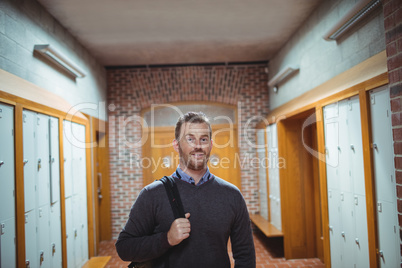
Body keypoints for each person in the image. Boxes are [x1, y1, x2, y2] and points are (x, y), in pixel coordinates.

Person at [116, 111, 256, 267]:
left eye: (203, 139)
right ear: (176, 145)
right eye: (190, 139)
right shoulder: (152, 194)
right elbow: (124, 248)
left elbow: (245, 255)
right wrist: (167, 239)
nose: (197, 146)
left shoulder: (232, 195)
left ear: (210, 144)